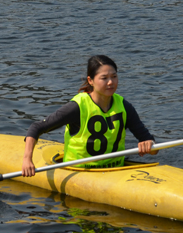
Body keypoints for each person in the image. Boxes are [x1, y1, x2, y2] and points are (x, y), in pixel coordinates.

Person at [22, 55, 157, 177]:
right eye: (104, 78)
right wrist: (27, 160)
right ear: (90, 81)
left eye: (114, 77)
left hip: (115, 170)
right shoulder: (77, 107)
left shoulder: (124, 106)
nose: (111, 82)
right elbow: (36, 127)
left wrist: (148, 145)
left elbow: (151, 146)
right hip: (78, 171)